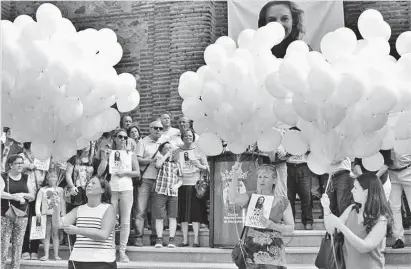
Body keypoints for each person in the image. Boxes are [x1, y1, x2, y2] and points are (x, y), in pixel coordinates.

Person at [229, 162, 294, 268]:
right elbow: (233, 198)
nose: (261, 179)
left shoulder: (282, 201)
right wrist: (235, 175)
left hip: (274, 252)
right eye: (259, 177)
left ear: (274, 180)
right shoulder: (251, 196)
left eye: (265, 177)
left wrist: (273, 225)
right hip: (251, 250)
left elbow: (291, 228)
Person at [321, 173, 393, 269]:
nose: (352, 190)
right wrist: (326, 208)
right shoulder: (351, 209)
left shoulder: (381, 219)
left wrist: (342, 226)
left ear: (366, 192)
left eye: (355, 188)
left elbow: (364, 247)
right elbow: (331, 230)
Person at [51, 176, 117, 269]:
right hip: (77, 261)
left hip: (102, 261)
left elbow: (104, 234)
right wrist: (56, 208)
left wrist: (77, 230)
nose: (89, 185)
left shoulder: (109, 208)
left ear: (102, 190)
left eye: (93, 183)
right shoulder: (78, 209)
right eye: (88, 184)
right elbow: (57, 224)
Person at [98, 128, 140, 262]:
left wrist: (125, 173)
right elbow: (99, 173)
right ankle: (110, 249)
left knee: (125, 222)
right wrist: (104, 158)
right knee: (111, 221)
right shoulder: (109, 153)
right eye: (120, 137)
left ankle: (122, 251)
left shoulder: (130, 153)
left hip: (127, 189)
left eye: (125, 137)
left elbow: (137, 172)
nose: (123, 139)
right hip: (113, 189)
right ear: (115, 139)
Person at [172, 128, 208, 247]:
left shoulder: (199, 150)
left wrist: (199, 166)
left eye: (190, 135)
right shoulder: (177, 151)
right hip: (181, 184)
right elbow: (171, 167)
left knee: (195, 213)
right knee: (183, 213)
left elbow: (207, 168)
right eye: (186, 135)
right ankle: (185, 240)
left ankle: (196, 240)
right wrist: (176, 169)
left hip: (195, 185)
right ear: (182, 137)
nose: (188, 137)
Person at [1, 154, 36, 269]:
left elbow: (32, 196)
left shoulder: (26, 177)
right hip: (6, 214)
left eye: (22, 162)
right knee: (3, 245)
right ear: (10, 165)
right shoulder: (3, 176)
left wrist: (23, 194)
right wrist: (13, 197)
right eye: (17, 163)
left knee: (18, 245)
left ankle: (15, 267)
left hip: (22, 214)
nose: (20, 165)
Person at [133, 121, 165, 247]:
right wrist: (151, 160)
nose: (158, 130)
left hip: (160, 180)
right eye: (156, 128)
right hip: (145, 179)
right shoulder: (143, 142)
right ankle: (138, 237)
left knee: (157, 211)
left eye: (160, 128)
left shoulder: (164, 142)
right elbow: (137, 159)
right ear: (150, 129)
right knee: (141, 210)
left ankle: (156, 237)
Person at [20, 142, 47, 260]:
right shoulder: (20, 156)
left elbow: (45, 174)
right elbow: (12, 170)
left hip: (39, 192)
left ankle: (34, 250)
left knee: (38, 221)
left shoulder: (42, 156)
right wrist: (26, 166)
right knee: (23, 221)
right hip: (25, 193)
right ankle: (24, 249)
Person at [154, 141, 183, 248]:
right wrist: (166, 154)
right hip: (160, 191)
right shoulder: (159, 159)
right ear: (161, 151)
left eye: (170, 148)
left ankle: (171, 239)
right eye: (166, 148)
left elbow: (181, 180)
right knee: (159, 216)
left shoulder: (177, 164)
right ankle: (159, 239)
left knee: (172, 216)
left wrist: (177, 185)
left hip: (173, 192)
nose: (169, 150)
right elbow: (157, 165)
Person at [36, 169, 65, 261]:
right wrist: (38, 213)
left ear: (57, 178)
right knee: (46, 235)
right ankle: (46, 255)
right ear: (47, 179)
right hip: (46, 215)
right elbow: (38, 203)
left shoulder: (60, 190)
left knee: (56, 235)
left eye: (54, 176)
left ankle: (56, 255)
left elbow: (62, 203)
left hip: (56, 216)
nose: (52, 178)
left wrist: (63, 213)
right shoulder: (42, 190)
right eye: (50, 177)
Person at [387, 150, 411, 249]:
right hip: (391, 173)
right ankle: (398, 238)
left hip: (408, 169)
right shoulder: (386, 135)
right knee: (394, 207)